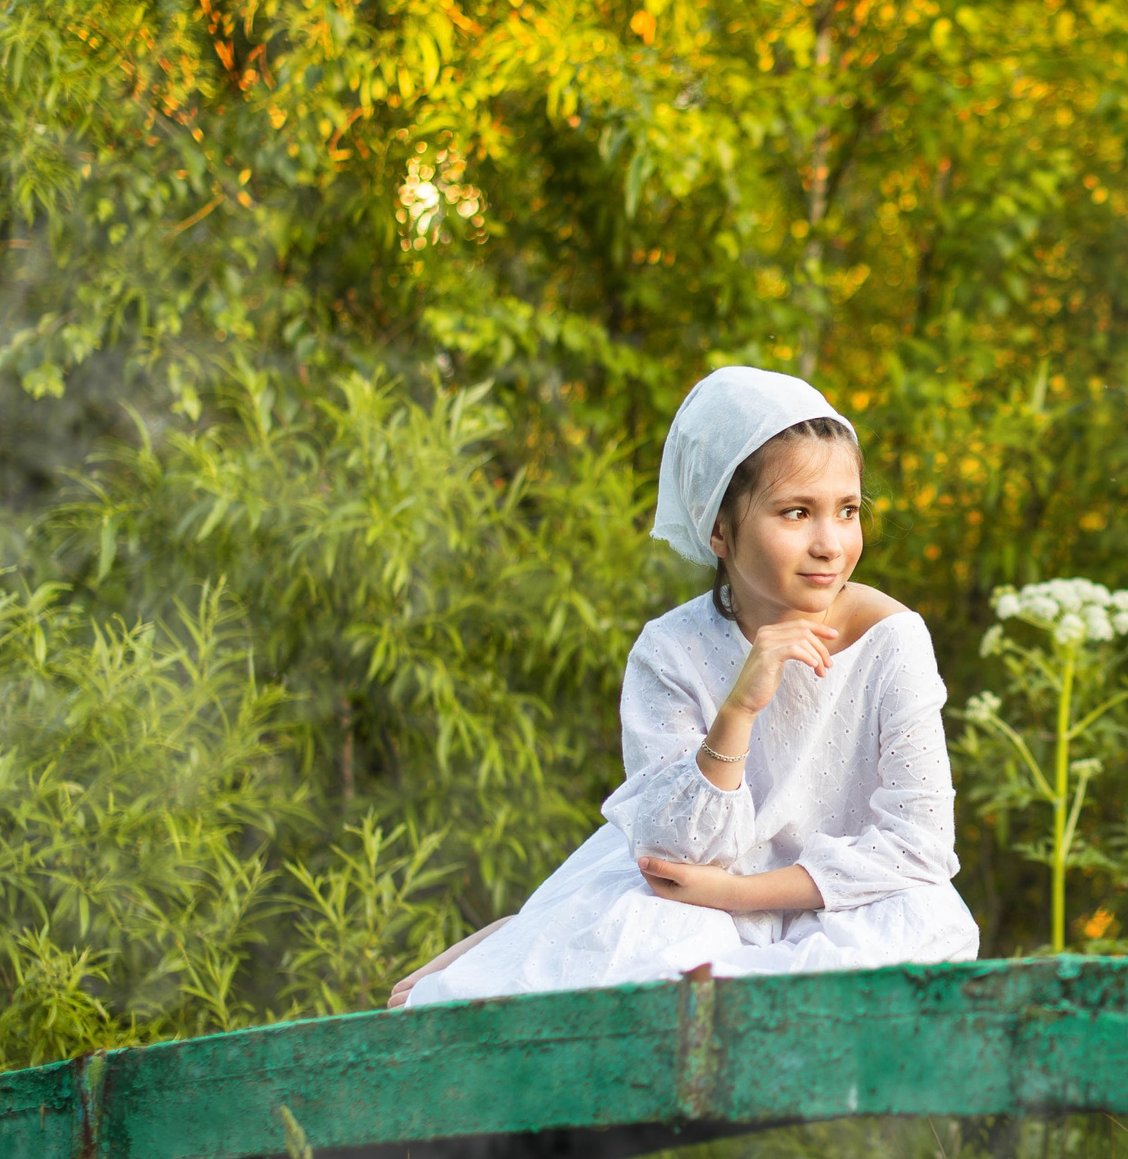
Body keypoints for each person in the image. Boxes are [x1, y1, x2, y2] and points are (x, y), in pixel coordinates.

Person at [392, 367, 978, 1008]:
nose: (830, 544)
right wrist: (740, 706)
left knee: (929, 925)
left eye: (846, 511)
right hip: (693, 895)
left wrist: (733, 894)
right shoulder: (670, 650)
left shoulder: (893, 637)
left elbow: (919, 846)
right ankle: (529, 935)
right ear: (719, 530)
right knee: (637, 941)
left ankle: (543, 938)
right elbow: (681, 848)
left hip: (827, 897)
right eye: (796, 513)